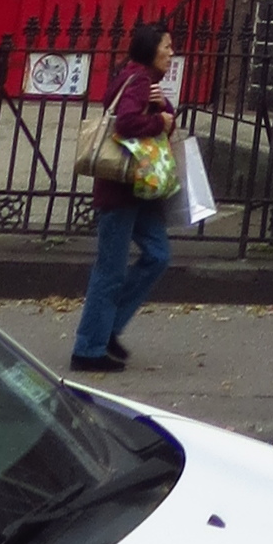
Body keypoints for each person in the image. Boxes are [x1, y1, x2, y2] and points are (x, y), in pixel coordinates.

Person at [70, 21, 179, 372]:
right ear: (151, 49)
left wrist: (166, 112)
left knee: (158, 255)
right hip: (120, 188)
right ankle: (88, 348)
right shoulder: (138, 80)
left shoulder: (143, 80)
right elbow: (126, 124)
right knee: (110, 270)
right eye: (167, 46)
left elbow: (160, 118)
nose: (171, 53)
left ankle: (109, 325)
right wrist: (161, 121)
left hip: (141, 190)